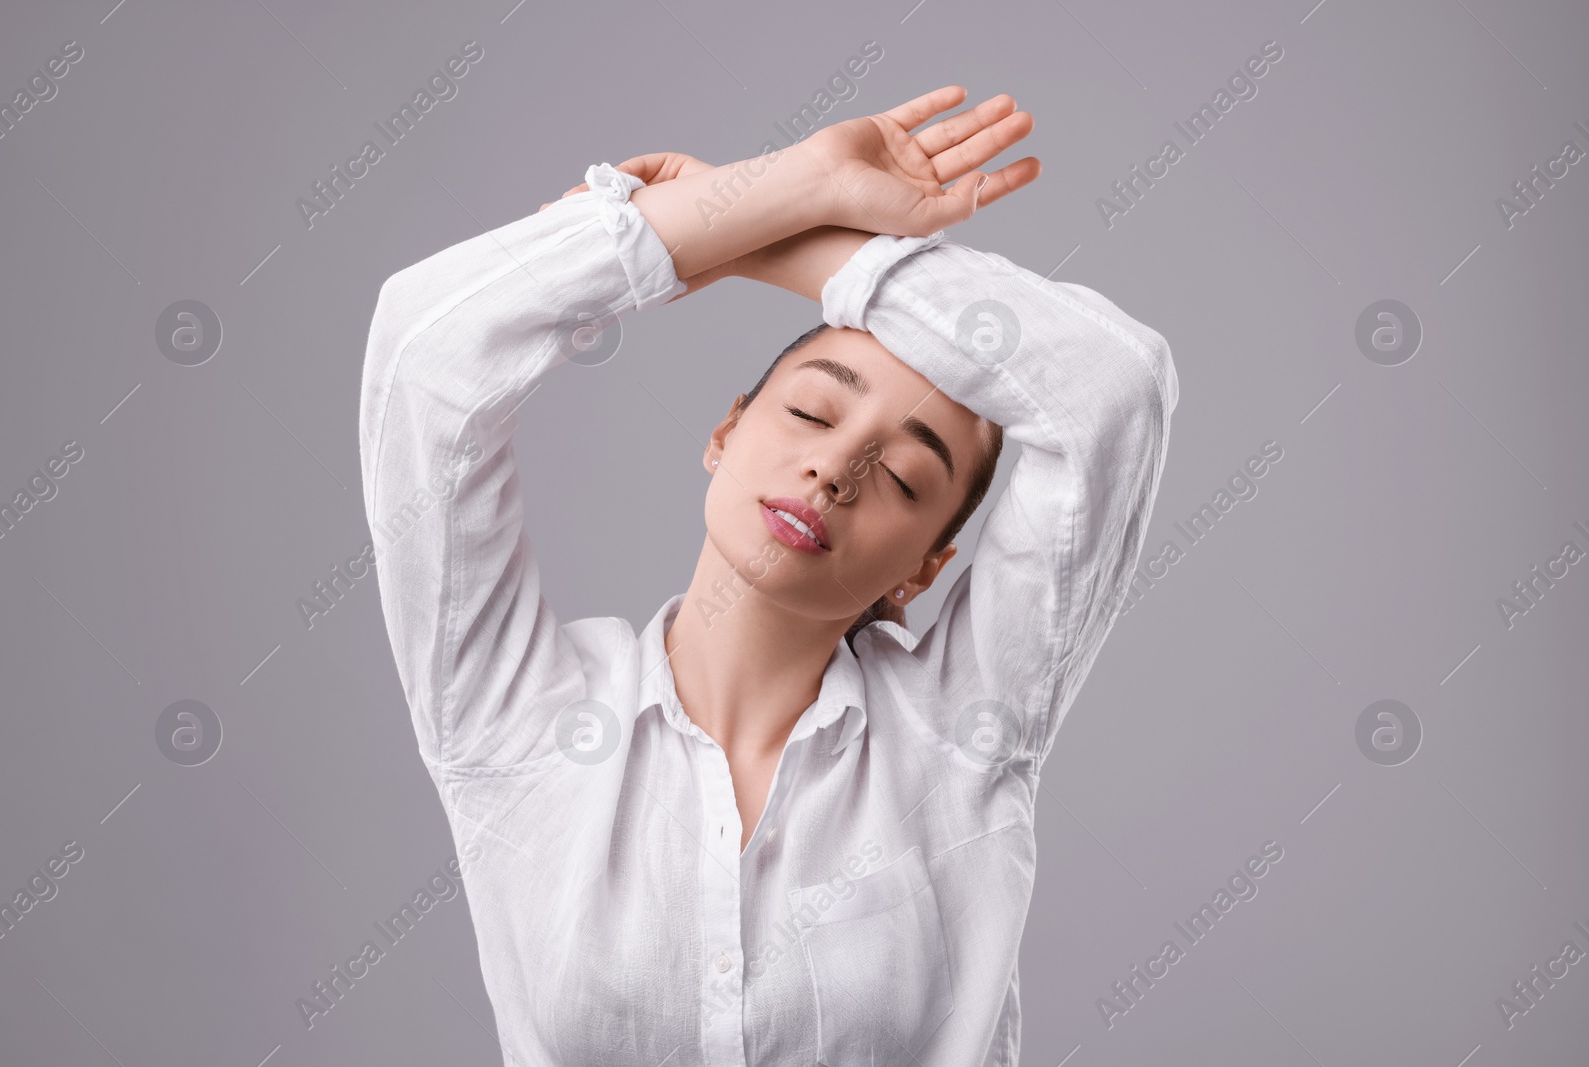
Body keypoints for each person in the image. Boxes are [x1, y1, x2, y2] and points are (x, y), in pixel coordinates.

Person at [359, 85, 1177, 1066]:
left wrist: (767, 243)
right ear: (725, 429)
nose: (836, 469)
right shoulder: (520, 720)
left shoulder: (957, 742)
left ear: (923, 568)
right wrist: (792, 185)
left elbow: (1114, 387)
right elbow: (424, 350)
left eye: (907, 475)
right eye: (812, 414)